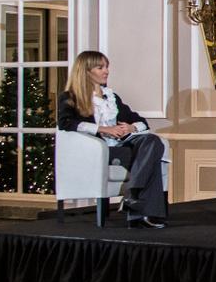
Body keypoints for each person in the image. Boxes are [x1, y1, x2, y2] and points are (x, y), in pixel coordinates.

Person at [57, 50, 168, 228]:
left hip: (121, 147)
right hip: (97, 151)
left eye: (107, 67)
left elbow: (142, 122)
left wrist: (131, 127)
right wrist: (101, 128)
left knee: (152, 142)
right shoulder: (70, 98)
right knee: (152, 159)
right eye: (100, 67)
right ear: (86, 71)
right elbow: (65, 123)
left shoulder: (111, 97)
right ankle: (145, 214)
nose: (106, 71)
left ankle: (132, 197)